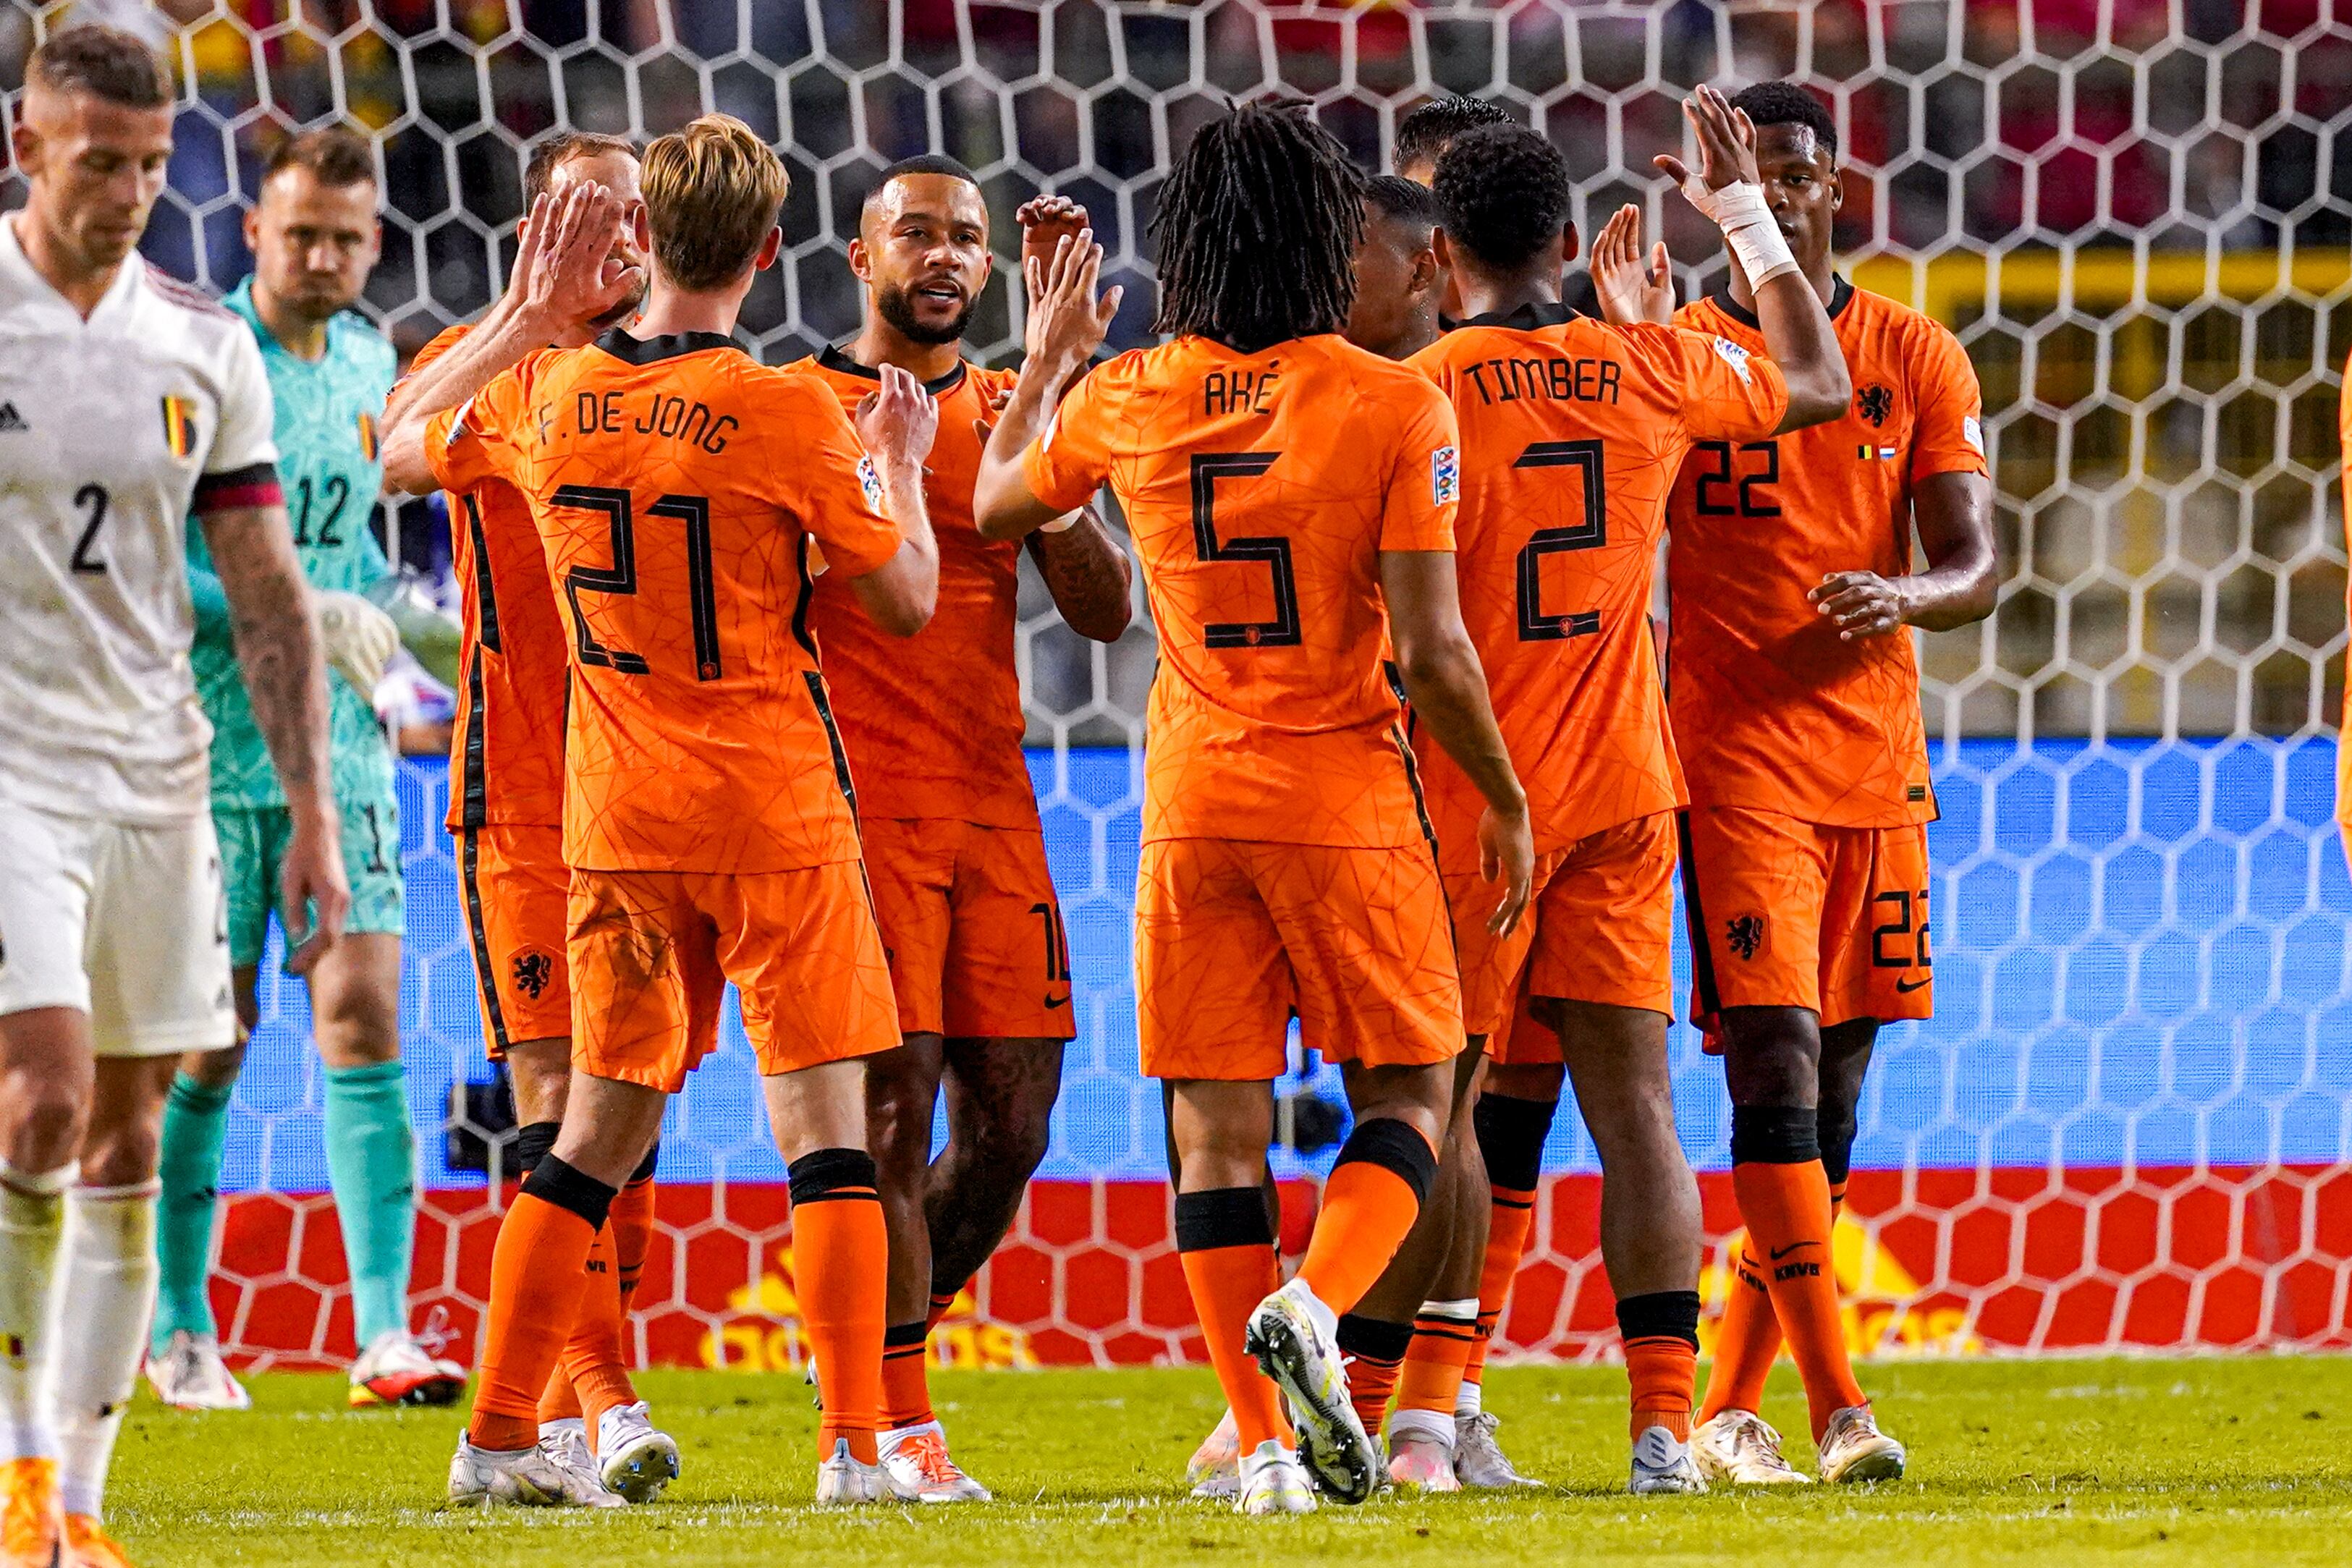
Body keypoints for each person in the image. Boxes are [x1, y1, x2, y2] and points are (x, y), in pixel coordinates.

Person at [976, 101, 1535, 1517]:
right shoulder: (1394, 399)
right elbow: (1430, 651)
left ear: (1186, 238)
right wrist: (1503, 797)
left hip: (1187, 799)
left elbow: (993, 503)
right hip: (1342, 790)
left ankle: (1263, 1446)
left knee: (1210, 1134)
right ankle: (1320, 1303)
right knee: (1411, 1090)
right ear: (1323, 234)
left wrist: (1049, 356)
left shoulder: (1129, 393)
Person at [387, 111, 942, 1508]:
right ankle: (854, 1450)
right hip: (773, 815)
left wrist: (522, 320)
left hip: (616, 820)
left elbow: (399, 450)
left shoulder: (549, 395)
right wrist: (905, 468)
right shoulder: (790, 411)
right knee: (823, 1132)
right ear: (768, 249)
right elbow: (903, 599)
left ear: (646, 243)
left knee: (585, 1141)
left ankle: (499, 1435)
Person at [1409, 94, 1854, 1494]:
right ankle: (1663, 1429)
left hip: (1471, 798)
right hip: (1622, 786)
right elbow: (1820, 384)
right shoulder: (1651, 365)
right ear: (1560, 235)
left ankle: (1429, 1413)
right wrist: (1734, 213)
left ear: (1436, 253)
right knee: (1639, 1112)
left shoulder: (1408, 391)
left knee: (1453, 1102)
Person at [1590, 80, 1995, 1486]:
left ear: (1835, 187)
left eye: (1797, 171)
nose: (1781, 189)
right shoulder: (1680, 359)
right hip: (1726, 762)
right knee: (1767, 1063)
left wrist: (1903, 593)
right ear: (1712, 197)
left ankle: (1728, 1404)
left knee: (1831, 1094)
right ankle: (1839, 1406)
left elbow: (1975, 563)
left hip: (1875, 773)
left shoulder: (1916, 355)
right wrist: (1630, 343)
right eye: (1750, 173)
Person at [0, 24, 344, 1568]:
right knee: (46, 1097)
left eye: (152, 163)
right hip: (8, 767)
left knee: (132, 1136)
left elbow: (268, 597)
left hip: (160, 775)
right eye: (100, 161)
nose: (135, 190)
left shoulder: (202, 344)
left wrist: (313, 814)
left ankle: (79, 1502)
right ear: (28, 147)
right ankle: (13, 1482)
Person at [793, 156, 1132, 1502]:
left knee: (1016, 1124)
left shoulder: (1004, 410)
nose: (943, 258)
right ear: (860, 252)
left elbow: (1105, 612)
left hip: (996, 810)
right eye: (916, 234)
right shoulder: (801, 411)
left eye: (967, 241)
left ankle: (874, 1379)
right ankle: (893, 1423)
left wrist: (1046, 395)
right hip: (853, 808)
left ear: (991, 273)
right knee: (889, 1107)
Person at [141, 125, 459, 1418]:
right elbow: (158, 568)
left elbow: (349, 565)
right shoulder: (199, 361)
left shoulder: (377, 362)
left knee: (365, 1018)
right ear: (254, 236)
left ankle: (381, 1334)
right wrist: (294, 615)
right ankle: (177, 1329)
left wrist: (415, 622)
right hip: (208, 744)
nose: (323, 256)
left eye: (346, 237)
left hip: (343, 751)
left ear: (375, 241)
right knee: (208, 1043)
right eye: (300, 234)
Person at [379, 131, 676, 1503]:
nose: (611, 238)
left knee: (636, 1115)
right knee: (563, 1100)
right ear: (538, 223)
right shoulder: (484, 357)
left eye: (632, 215)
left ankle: (563, 1404)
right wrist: (525, 316)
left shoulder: (691, 372)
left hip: (667, 787)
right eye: (584, 213)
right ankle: (601, 1408)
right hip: (525, 788)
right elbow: (393, 457)